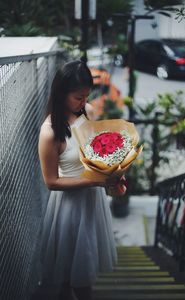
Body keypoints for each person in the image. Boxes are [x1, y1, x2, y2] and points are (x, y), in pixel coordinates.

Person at [38, 60, 125, 300]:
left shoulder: (82, 114)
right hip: (71, 208)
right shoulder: (50, 133)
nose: (83, 103)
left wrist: (112, 169)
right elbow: (51, 182)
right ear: (61, 93)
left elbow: (91, 153)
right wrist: (96, 182)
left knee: (71, 273)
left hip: (91, 201)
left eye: (86, 96)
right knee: (80, 277)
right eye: (78, 97)